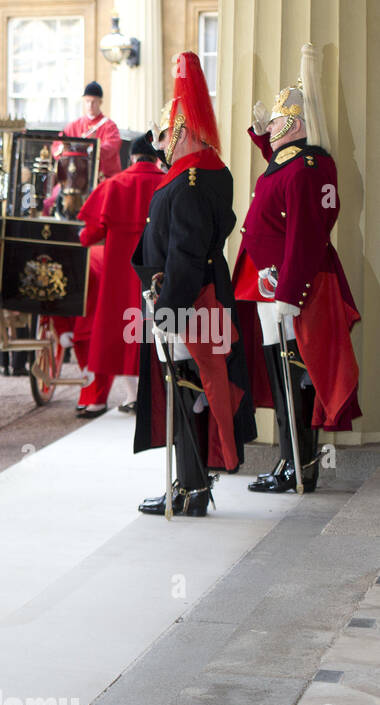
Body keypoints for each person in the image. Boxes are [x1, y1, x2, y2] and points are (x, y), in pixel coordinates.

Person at [132, 53, 256, 517]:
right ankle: (192, 486)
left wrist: (166, 307)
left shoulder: (185, 182)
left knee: (185, 391)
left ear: (180, 132)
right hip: (205, 295)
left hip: (189, 301)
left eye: (164, 135)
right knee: (193, 392)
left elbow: (184, 255)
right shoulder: (212, 174)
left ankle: (191, 489)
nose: (160, 145)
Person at [233, 43, 361, 493]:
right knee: (278, 369)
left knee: (295, 374)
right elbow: (277, 166)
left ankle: (300, 463)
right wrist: (257, 132)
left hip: (290, 284)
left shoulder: (304, 167)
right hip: (271, 282)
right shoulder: (299, 161)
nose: (270, 127)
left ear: (296, 124)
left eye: (276, 122)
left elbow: (304, 233)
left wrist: (287, 291)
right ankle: (290, 459)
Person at [72, 131, 165, 417]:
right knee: (152, 331)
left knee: (115, 333)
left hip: (118, 272)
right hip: (154, 270)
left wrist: (83, 235)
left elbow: (90, 234)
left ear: (132, 157)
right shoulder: (166, 183)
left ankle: (118, 397)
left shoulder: (115, 184)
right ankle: (150, 397)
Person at [65, 82, 122, 182]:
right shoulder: (74, 125)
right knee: (53, 197)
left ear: (100, 102)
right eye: (87, 101)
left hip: (104, 177)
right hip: (76, 176)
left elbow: (112, 146)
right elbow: (59, 144)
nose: (90, 105)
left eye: (93, 102)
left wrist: (92, 150)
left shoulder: (110, 126)